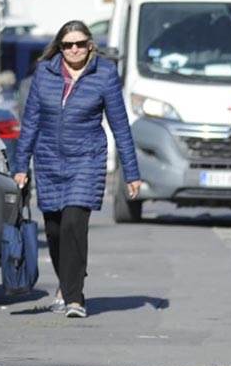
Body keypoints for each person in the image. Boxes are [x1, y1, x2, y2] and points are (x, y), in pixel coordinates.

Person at [11, 20, 140, 319]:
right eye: (68, 45)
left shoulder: (104, 74)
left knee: (73, 223)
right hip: (48, 160)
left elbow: (120, 126)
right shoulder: (44, 72)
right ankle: (66, 283)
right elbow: (30, 122)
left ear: (90, 45)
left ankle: (75, 298)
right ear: (59, 47)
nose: (74, 50)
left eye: (80, 44)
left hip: (87, 159)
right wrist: (21, 166)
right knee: (55, 230)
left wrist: (131, 173)